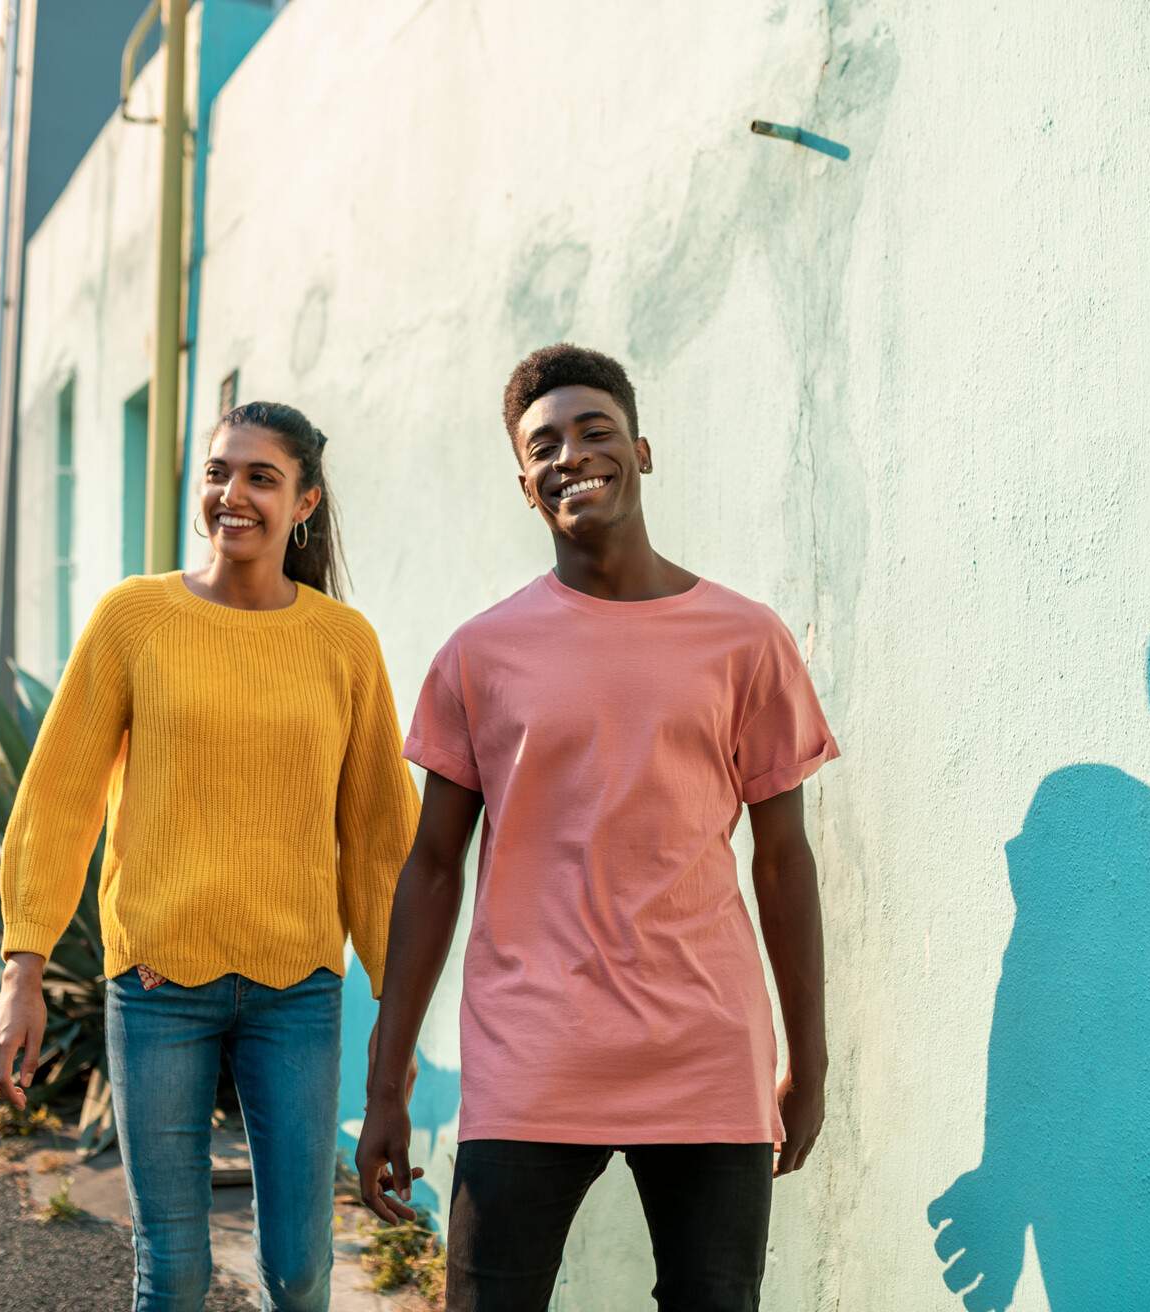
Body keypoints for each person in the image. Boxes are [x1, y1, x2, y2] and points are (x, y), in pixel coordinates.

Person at [357, 344, 840, 1310]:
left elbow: (783, 865)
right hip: (530, 1049)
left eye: (595, 430)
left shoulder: (746, 641)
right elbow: (433, 869)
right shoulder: (480, 654)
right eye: (545, 444)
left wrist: (808, 1059)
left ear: (642, 450)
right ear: (525, 484)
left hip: (705, 1048)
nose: (572, 454)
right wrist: (386, 1086)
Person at [0, 402, 419, 1312]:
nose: (233, 493)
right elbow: (58, 797)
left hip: (296, 988)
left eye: (261, 476)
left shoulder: (344, 643)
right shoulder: (136, 617)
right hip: (155, 987)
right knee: (171, 1272)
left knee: (299, 1274)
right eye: (220, 471)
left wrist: (399, 1019)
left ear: (304, 502)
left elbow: (381, 841)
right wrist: (21, 968)